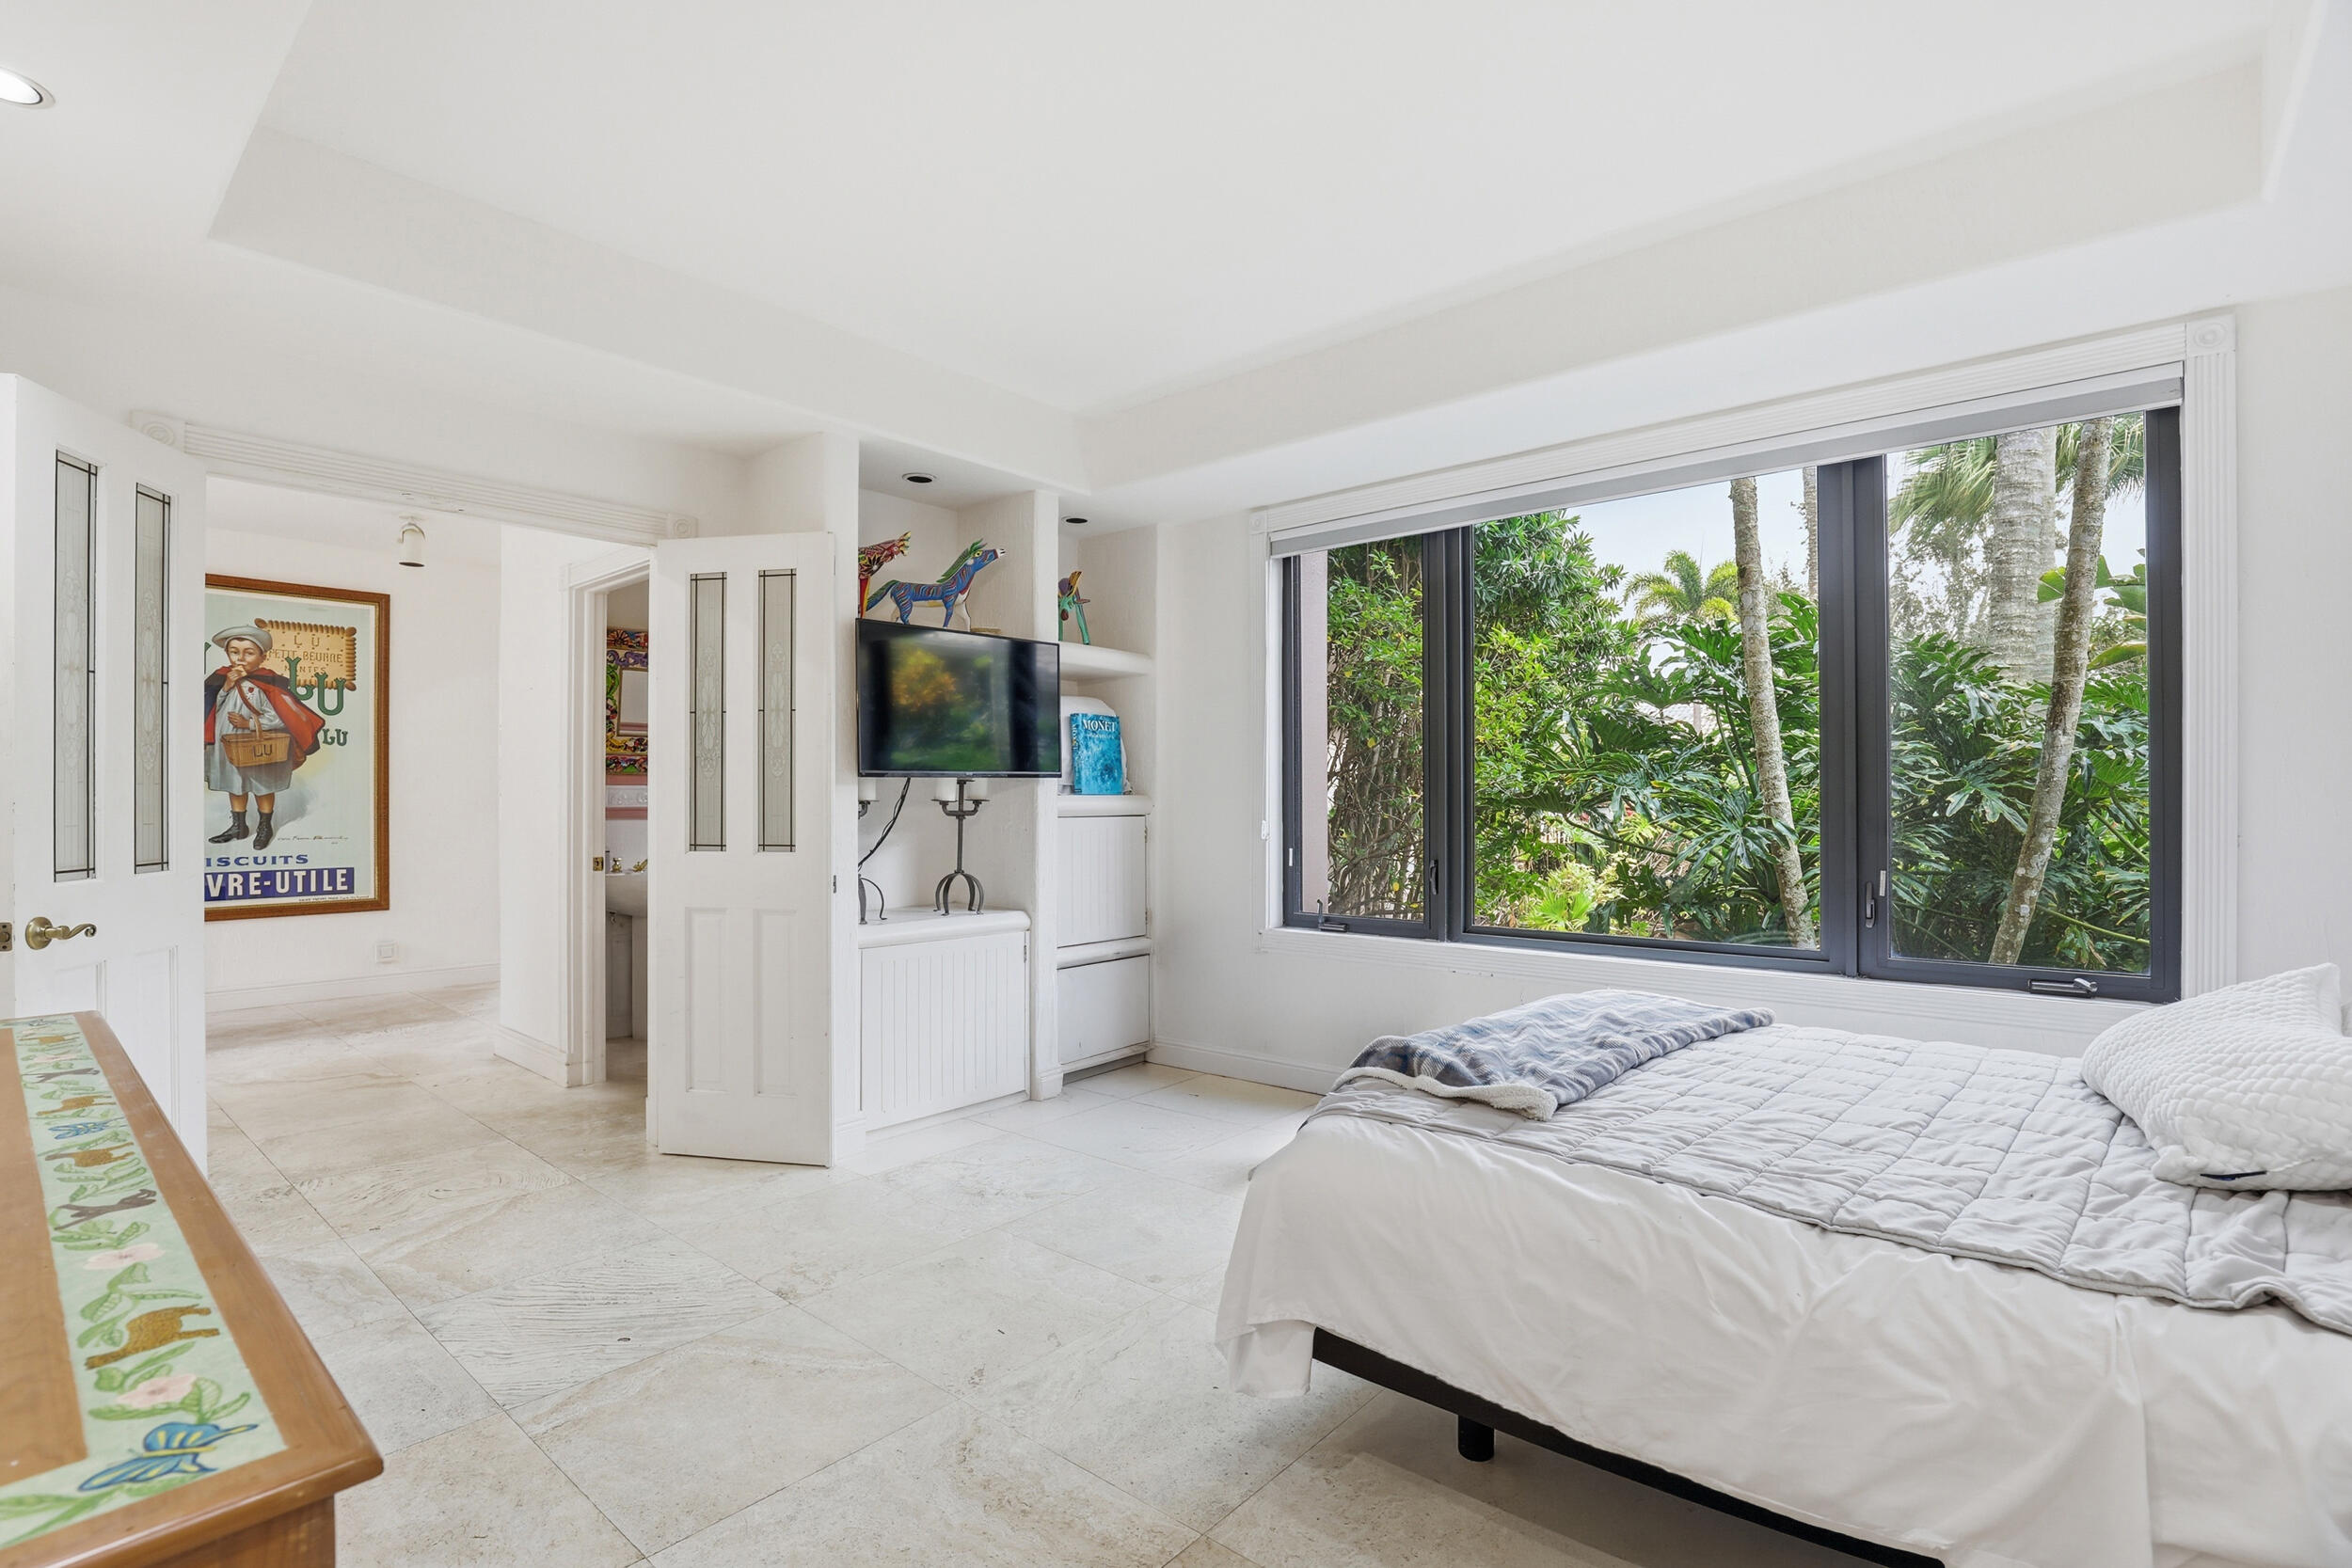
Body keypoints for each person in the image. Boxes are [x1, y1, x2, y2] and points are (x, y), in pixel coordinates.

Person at [203, 625, 326, 850]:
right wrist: (227, 686)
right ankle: (238, 826)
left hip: (259, 745)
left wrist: (248, 724)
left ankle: (264, 826)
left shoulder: (269, 683)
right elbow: (213, 708)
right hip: (228, 744)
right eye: (234, 651)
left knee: (262, 785)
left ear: (262, 656)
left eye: (248, 652)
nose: (240, 658)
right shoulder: (221, 678)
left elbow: (281, 718)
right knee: (235, 784)